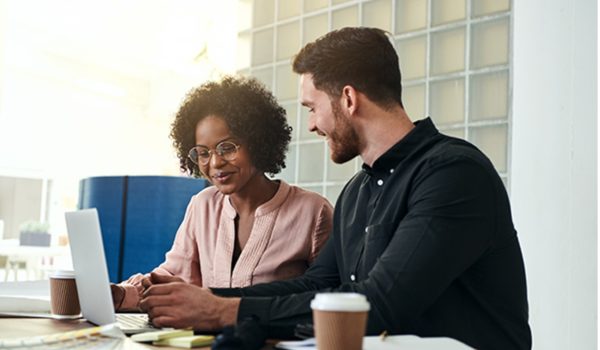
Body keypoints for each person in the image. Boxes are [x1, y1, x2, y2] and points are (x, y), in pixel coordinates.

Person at [139, 28, 532, 349]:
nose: (311, 125)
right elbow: (319, 285)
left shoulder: (453, 174)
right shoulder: (358, 191)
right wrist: (207, 300)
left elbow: (378, 306)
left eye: (312, 107)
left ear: (347, 98)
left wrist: (222, 312)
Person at [111, 76, 333, 311]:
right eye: (203, 152)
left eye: (227, 148)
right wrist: (117, 294)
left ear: (258, 142)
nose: (215, 162)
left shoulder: (313, 211)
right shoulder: (202, 205)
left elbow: (330, 294)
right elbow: (172, 276)